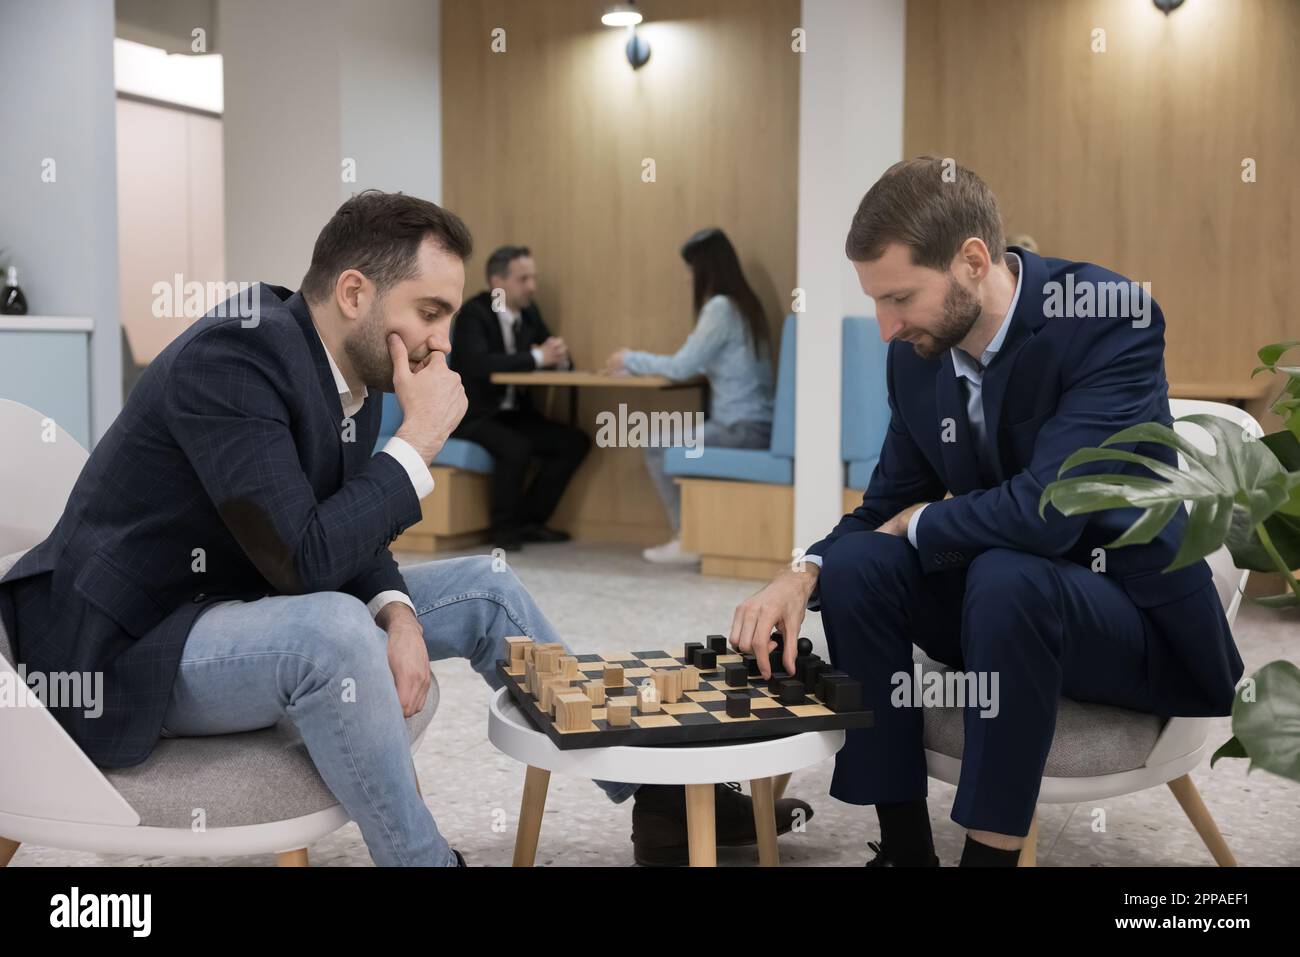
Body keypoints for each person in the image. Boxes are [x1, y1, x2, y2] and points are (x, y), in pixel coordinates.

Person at [0, 191, 808, 866]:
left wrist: (397, 608)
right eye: (431, 311)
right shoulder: (234, 360)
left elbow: (342, 531)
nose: (442, 341)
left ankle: (658, 801)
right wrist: (418, 444)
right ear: (355, 292)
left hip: (232, 598)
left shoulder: (357, 366)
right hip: (125, 645)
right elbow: (303, 557)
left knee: (484, 588)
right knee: (330, 629)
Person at [727, 158, 1243, 867]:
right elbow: (883, 507)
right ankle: (904, 849)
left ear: (973, 260)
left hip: (1130, 620)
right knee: (857, 563)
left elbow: (1050, 511)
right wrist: (801, 573)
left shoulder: (1104, 316)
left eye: (900, 298)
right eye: (877, 301)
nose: (885, 327)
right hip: (1000, 614)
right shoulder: (917, 355)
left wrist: (924, 522)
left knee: (1008, 571)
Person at [606, 228, 775, 565]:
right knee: (664, 441)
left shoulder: (720, 308)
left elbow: (682, 366)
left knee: (656, 445)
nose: (687, 279)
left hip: (740, 429)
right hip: (754, 425)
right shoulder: (745, 305)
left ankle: (687, 538)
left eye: (690, 269)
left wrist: (629, 359)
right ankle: (692, 534)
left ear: (705, 269)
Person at [449, 246, 589, 551]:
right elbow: (479, 364)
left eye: (533, 279)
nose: (532, 287)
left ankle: (529, 521)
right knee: (516, 447)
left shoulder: (529, 313)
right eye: (523, 279)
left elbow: (548, 354)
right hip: (475, 415)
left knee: (574, 441)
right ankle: (505, 531)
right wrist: (538, 356)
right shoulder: (474, 314)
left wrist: (560, 359)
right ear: (497, 281)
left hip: (514, 415)